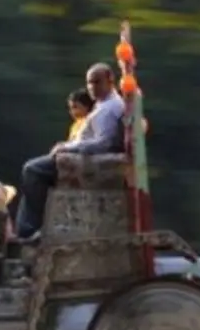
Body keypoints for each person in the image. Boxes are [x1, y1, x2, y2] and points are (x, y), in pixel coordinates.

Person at [15, 63, 126, 242]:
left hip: (82, 160)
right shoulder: (102, 104)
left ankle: (29, 230)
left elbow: (104, 143)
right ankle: (25, 229)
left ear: (110, 81)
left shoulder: (109, 108)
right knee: (32, 171)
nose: (92, 87)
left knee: (32, 170)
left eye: (97, 82)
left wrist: (68, 148)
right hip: (76, 155)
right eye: (89, 83)